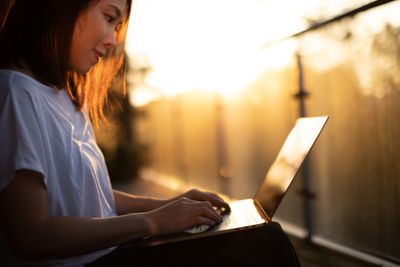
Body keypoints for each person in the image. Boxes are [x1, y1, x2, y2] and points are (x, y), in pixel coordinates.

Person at [0, 0, 301, 266]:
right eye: (108, 17)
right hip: (88, 261)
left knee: (258, 233)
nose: (112, 40)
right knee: (262, 242)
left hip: (110, 252)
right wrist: (153, 222)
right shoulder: (16, 93)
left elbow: (86, 193)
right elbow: (32, 235)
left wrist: (167, 205)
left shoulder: (65, 96)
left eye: (117, 26)